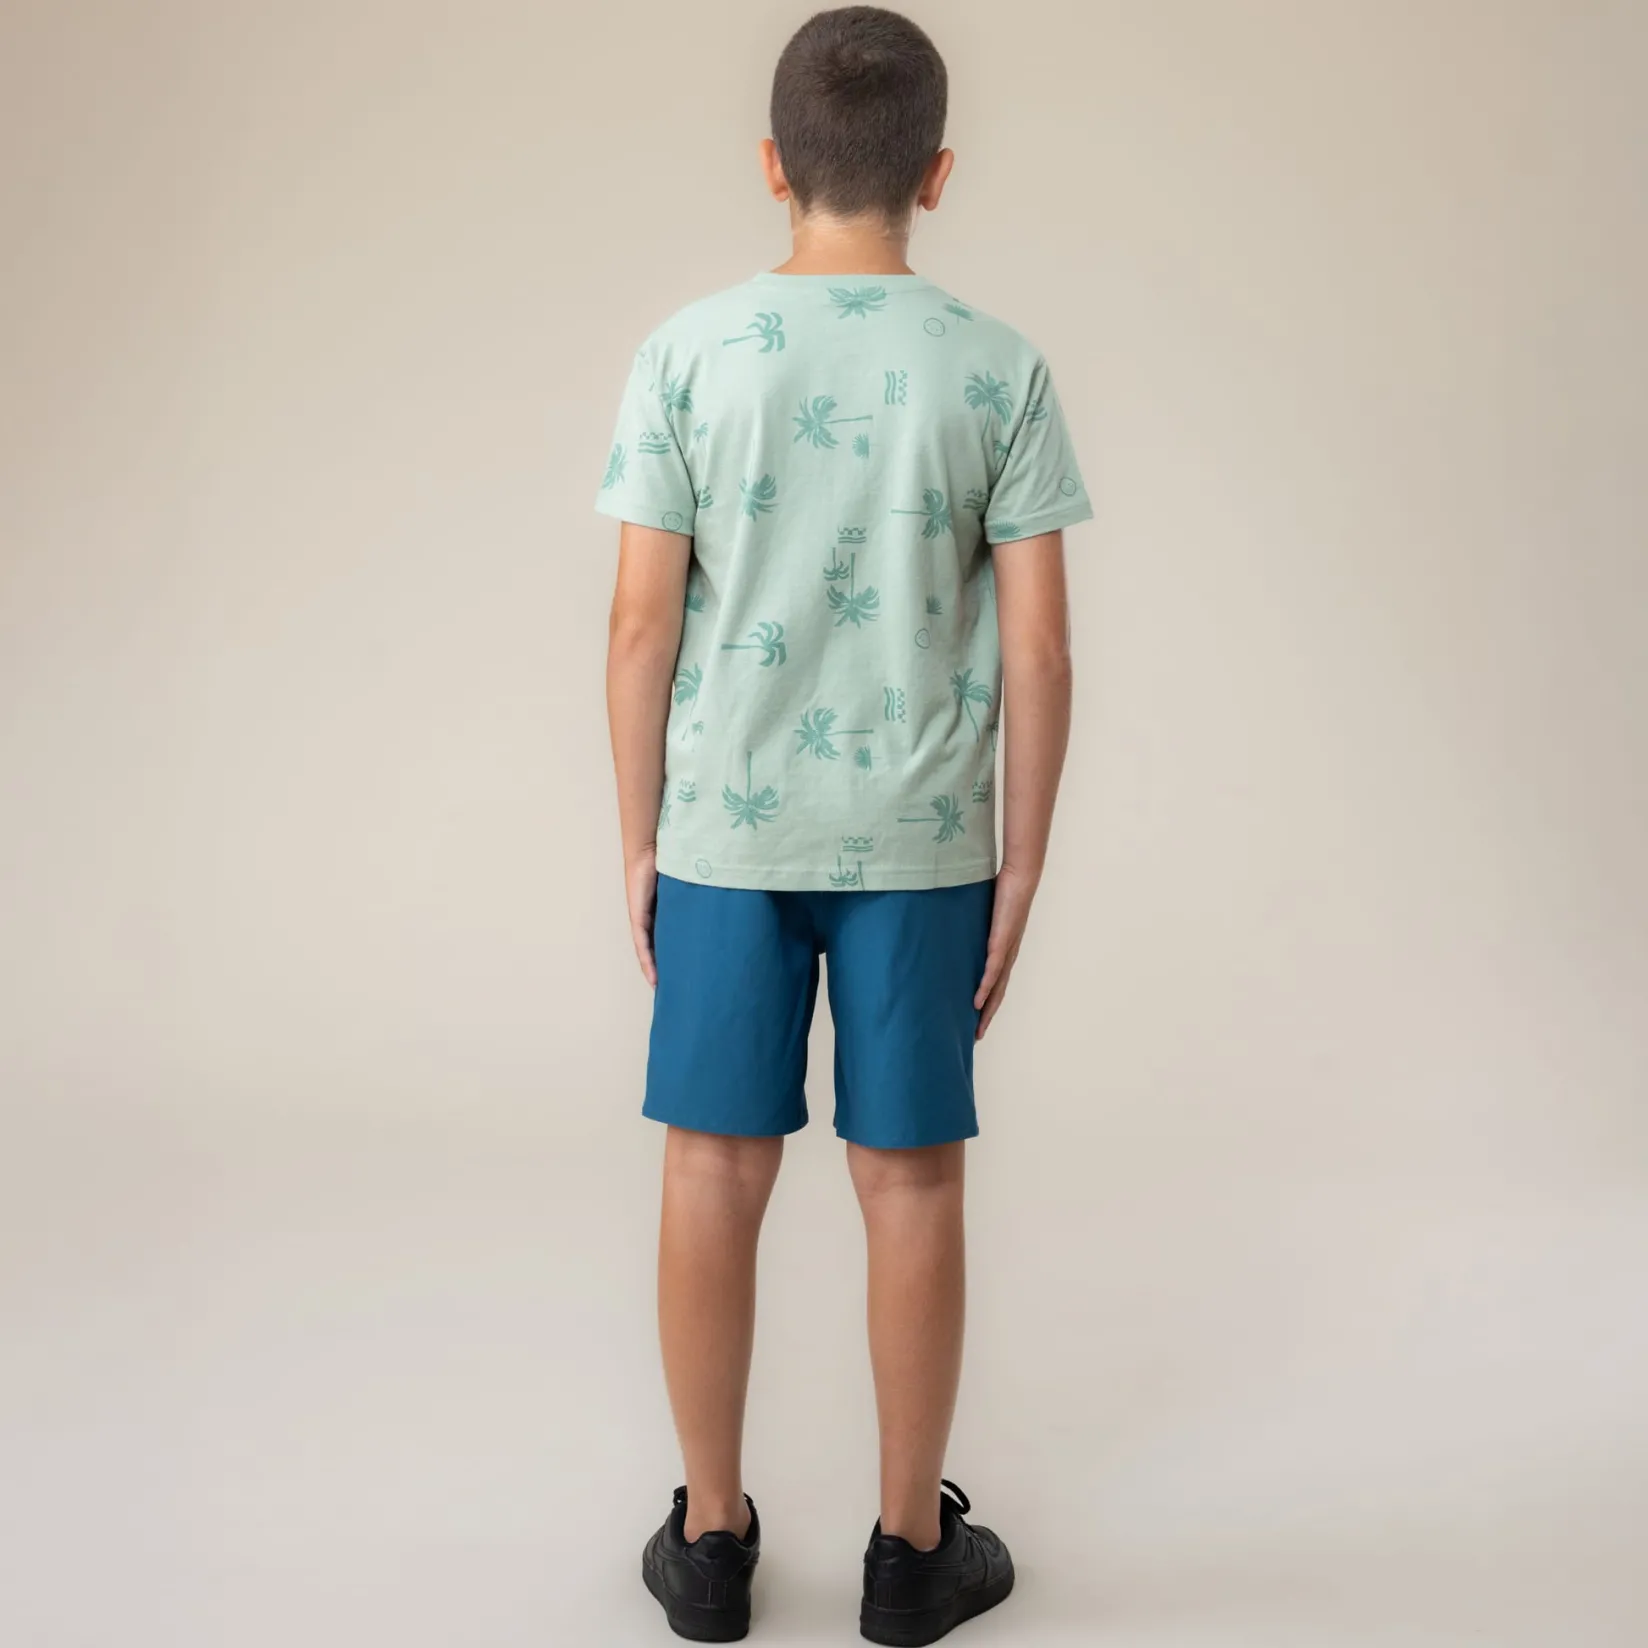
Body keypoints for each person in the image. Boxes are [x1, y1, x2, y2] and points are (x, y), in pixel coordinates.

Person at [598, 8, 1089, 1640]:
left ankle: (710, 1542)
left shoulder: (687, 353)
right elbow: (1039, 651)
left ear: (772, 166)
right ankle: (907, 1551)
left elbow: (638, 629)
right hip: (925, 841)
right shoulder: (998, 367)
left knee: (712, 1166)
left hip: (726, 840)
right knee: (913, 1182)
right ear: (936, 175)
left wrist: (641, 839)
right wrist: (1022, 863)